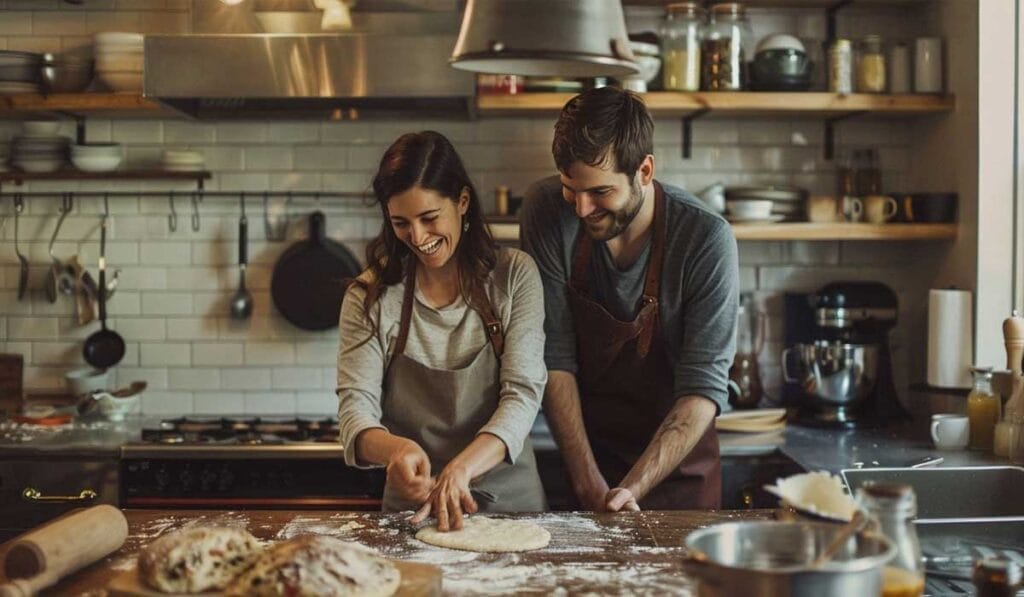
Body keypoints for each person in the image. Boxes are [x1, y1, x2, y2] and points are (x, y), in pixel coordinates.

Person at [520, 87, 738, 512]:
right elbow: (554, 356)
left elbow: (702, 388)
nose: (581, 209)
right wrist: (588, 482)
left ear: (644, 170)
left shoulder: (706, 238)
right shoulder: (546, 210)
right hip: (588, 455)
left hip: (679, 468)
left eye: (600, 192)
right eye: (571, 189)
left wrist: (630, 490)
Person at [337, 130, 548, 531]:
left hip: (510, 505)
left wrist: (461, 469)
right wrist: (395, 451)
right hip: (413, 512)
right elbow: (354, 413)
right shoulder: (369, 295)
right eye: (401, 223)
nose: (417, 238)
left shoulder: (514, 277)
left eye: (429, 218)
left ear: (463, 202)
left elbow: (522, 396)